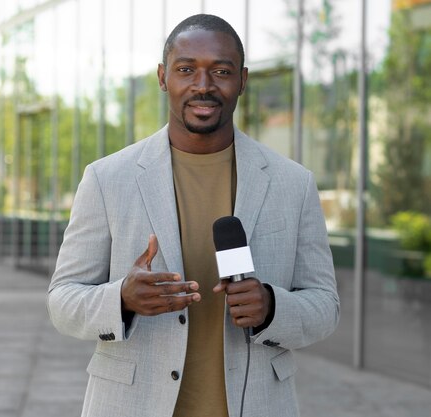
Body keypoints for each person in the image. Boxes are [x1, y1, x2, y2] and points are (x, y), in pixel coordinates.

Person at [47, 13, 339, 417]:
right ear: (163, 77)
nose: (203, 86)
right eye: (187, 70)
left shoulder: (294, 183)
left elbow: (325, 306)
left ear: (243, 80)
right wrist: (123, 298)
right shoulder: (106, 179)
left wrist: (272, 306)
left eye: (221, 71)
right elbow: (63, 301)